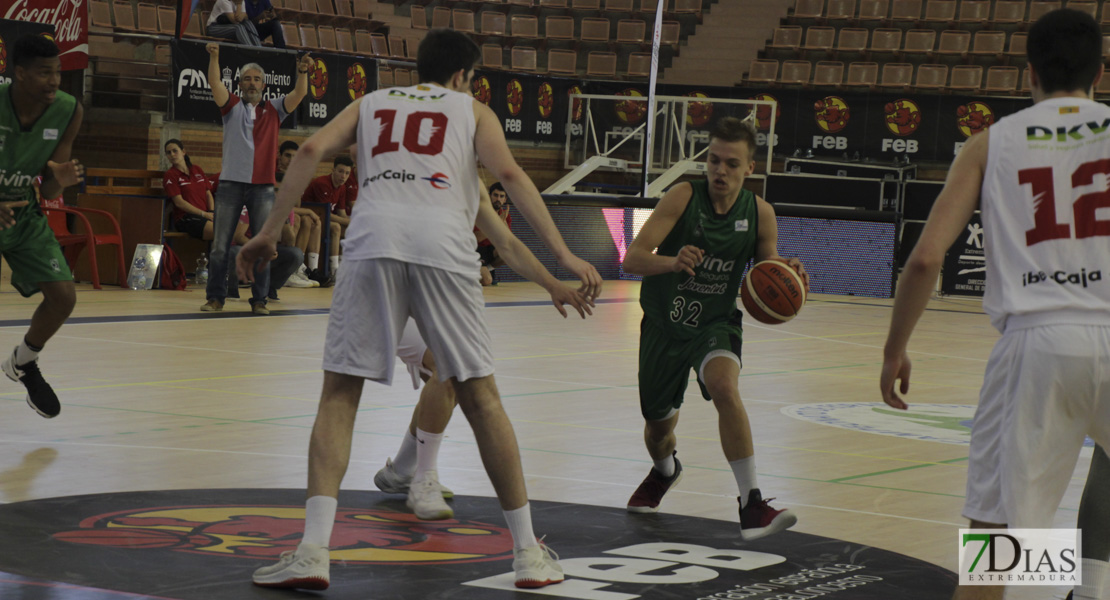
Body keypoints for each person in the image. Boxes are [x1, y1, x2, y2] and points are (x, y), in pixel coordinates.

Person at [237, 28, 602, 591]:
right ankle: (528, 553)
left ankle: (313, 550)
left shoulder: (372, 102)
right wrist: (565, 254)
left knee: (340, 393)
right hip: (442, 247)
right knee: (482, 396)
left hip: (373, 240)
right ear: (464, 77)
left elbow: (309, 150)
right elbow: (510, 176)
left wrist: (266, 232)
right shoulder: (472, 112)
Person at [878, 10, 1110, 600]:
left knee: (998, 544)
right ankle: (1089, 585)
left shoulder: (990, 143)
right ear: (1099, 74)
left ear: (1027, 72)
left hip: (1037, 347)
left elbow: (927, 258)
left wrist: (894, 349)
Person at [621, 116, 806, 541]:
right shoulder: (683, 197)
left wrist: (786, 271)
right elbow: (631, 259)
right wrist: (672, 261)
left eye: (731, 164)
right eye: (713, 160)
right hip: (664, 326)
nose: (720, 171)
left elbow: (765, 269)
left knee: (725, 386)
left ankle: (751, 503)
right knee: (658, 428)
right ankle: (666, 470)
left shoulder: (760, 213)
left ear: (750, 168)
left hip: (715, 323)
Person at [0, 34, 84, 419]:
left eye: (58, 72)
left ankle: (23, 361)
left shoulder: (67, 109)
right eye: (44, 72)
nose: (54, 81)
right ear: (19, 73)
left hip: (23, 213)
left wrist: (60, 180)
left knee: (64, 298)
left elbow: (49, 186)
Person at [201, 43, 310, 315]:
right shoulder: (231, 106)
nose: (252, 83)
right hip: (229, 186)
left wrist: (303, 72)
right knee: (219, 246)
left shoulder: (275, 109)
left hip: (262, 188)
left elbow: (300, 93)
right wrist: (214, 57)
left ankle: (260, 300)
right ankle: (215, 298)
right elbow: (214, 81)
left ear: (264, 84)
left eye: (257, 79)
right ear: (240, 84)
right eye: (247, 78)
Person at [300, 155, 352, 277]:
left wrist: (352, 222)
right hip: (312, 218)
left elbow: (341, 212)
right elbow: (324, 213)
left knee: (348, 229)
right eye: (340, 171)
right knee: (336, 227)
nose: (343, 176)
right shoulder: (322, 183)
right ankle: (334, 270)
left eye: (347, 173)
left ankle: (343, 267)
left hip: (323, 218)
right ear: (333, 170)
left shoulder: (342, 187)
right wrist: (347, 222)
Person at [163, 139, 216, 241]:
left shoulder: (196, 169)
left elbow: (208, 193)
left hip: (206, 216)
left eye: (175, 151)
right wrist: (204, 214)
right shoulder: (170, 175)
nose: (172, 154)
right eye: (168, 153)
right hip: (186, 218)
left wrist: (211, 212)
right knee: (222, 234)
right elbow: (179, 203)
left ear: (183, 152)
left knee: (234, 231)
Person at [475, 181, 511, 286]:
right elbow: (477, 238)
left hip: (491, 250)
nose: (498, 199)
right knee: (487, 281)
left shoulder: (505, 215)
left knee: (510, 253)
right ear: (489, 196)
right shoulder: (480, 211)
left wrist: (504, 228)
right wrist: (497, 224)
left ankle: (488, 269)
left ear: (505, 199)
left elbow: (508, 242)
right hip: (476, 250)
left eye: (501, 196)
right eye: (495, 195)